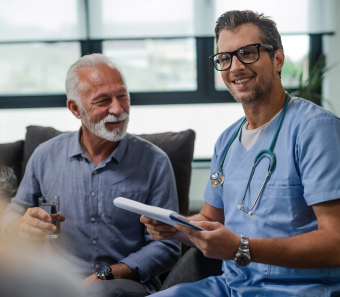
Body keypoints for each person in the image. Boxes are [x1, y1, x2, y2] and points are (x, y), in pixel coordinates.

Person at [141, 10, 340, 296]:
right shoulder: (227, 141)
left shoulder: (316, 130)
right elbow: (212, 218)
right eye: (224, 58)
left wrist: (241, 247)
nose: (235, 67)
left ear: (278, 60)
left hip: (297, 289)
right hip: (230, 286)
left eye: (247, 53)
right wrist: (176, 225)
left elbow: (336, 242)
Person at [1, 54, 180, 297]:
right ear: (75, 108)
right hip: (55, 280)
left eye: (122, 96)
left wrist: (106, 274)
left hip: (120, 282)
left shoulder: (155, 161)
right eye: (103, 100)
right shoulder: (45, 155)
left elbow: (167, 245)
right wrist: (19, 227)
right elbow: (13, 213)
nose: (118, 109)